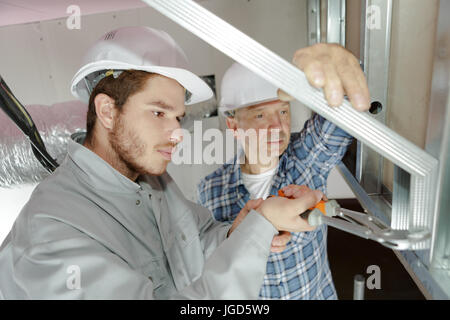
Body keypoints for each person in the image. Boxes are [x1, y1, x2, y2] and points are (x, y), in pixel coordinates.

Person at [0, 25, 368, 299]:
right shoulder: (50, 232)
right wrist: (259, 229)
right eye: (159, 113)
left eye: (178, 118)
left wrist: (238, 232)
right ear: (107, 111)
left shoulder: (152, 184)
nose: (177, 134)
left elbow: (196, 241)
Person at [197, 59, 369, 299]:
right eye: (260, 115)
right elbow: (212, 268)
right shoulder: (211, 190)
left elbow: (346, 102)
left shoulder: (306, 157)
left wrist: (338, 64)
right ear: (233, 125)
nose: (278, 126)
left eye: (283, 111)